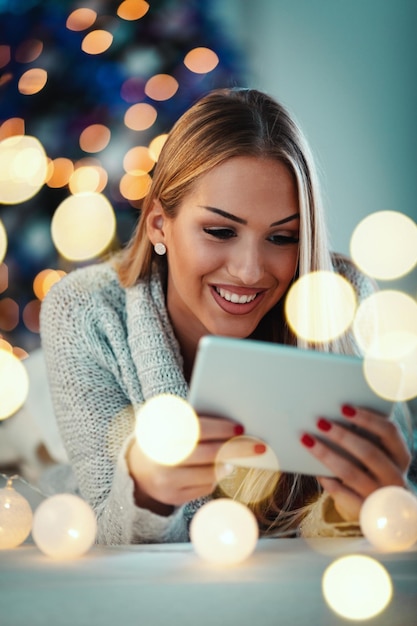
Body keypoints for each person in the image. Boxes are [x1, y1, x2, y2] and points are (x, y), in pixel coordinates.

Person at [40, 87, 413, 544]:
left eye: (282, 238)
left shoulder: (342, 300)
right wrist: (148, 492)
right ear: (159, 223)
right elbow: (102, 529)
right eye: (220, 231)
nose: (250, 271)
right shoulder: (85, 311)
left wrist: (383, 503)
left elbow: (397, 497)